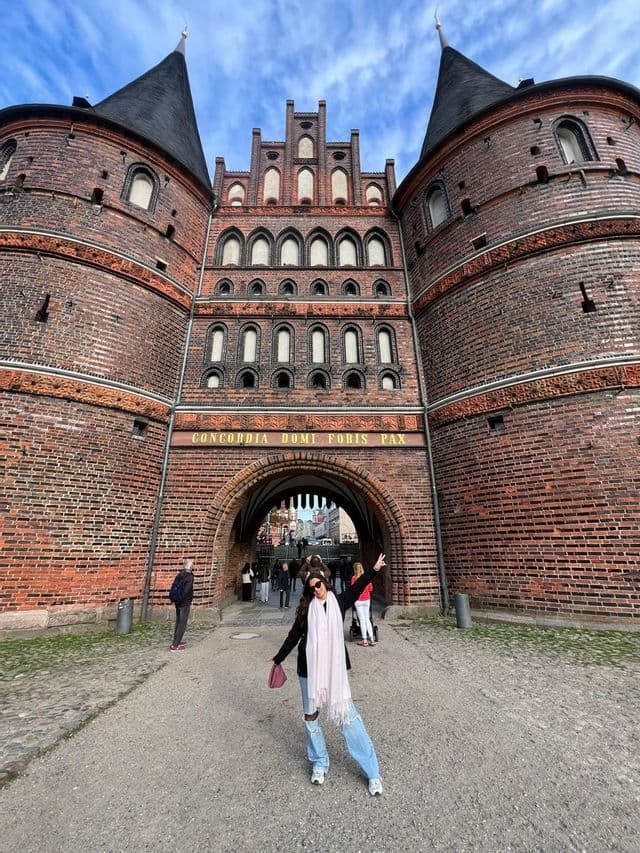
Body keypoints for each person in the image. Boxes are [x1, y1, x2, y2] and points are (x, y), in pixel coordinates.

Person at [272, 552, 386, 796]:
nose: (317, 590)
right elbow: (293, 636)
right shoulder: (305, 611)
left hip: (333, 670)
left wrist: (374, 569)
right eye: (312, 587)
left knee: (347, 716)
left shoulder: (339, 602)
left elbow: (359, 588)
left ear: (325, 583)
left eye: (319, 584)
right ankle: (319, 762)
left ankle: (372, 771)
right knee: (311, 717)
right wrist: (278, 659)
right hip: (308, 670)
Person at [170, 558, 195, 651]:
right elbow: (187, 590)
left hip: (177, 601)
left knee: (178, 621)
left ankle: (176, 640)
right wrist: (185, 599)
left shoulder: (180, 574)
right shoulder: (190, 577)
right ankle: (175, 645)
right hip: (184, 602)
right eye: (193, 564)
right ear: (191, 567)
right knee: (182, 623)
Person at [350, 562, 375, 646]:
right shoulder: (367, 578)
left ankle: (364, 640)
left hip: (358, 600)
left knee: (362, 620)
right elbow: (371, 589)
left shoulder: (354, 578)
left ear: (354, 569)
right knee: (367, 618)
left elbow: (352, 589)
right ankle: (371, 638)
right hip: (366, 600)